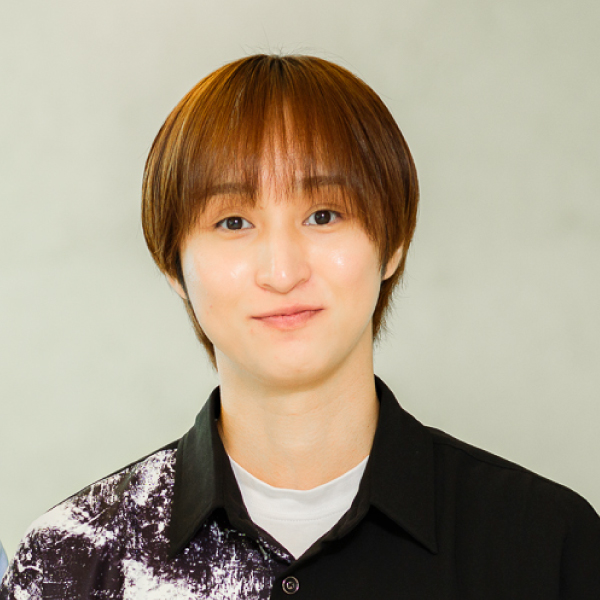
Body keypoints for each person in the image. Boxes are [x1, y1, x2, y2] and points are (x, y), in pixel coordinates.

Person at [1, 54, 599, 599]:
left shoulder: (548, 546)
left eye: (323, 215)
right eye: (233, 222)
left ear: (393, 242)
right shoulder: (70, 562)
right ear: (173, 266)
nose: (283, 272)